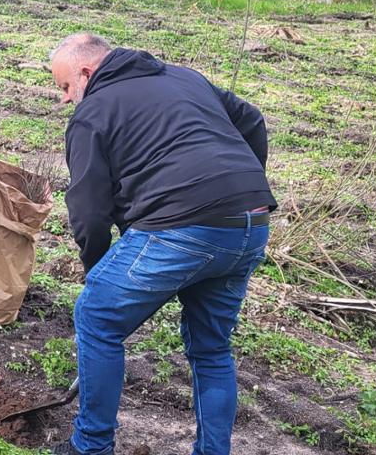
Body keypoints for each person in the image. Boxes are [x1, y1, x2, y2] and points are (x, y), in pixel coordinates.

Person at [47, 34, 275, 455]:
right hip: (250, 223)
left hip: (182, 226)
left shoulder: (92, 113)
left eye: (64, 86)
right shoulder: (186, 78)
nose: (64, 98)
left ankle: (90, 447)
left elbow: (89, 211)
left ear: (86, 72)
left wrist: (97, 271)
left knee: (96, 316)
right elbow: (253, 120)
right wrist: (239, 189)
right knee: (211, 348)